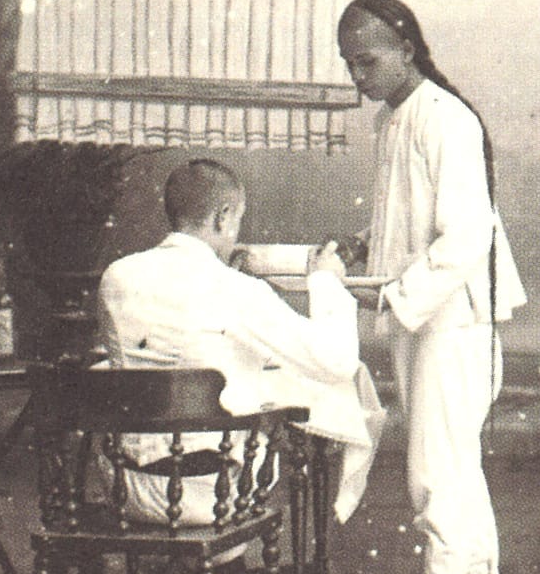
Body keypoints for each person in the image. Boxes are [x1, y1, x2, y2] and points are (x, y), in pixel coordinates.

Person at [337, 0, 527, 574]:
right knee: (460, 474)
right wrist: (366, 245)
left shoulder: (445, 118)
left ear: (407, 50)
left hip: (454, 323)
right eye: (349, 64)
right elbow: (414, 218)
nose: (357, 76)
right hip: (428, 319)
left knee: (436, 479)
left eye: (367, 61)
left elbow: (467, 235)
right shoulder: (396, 119)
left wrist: (394, 295)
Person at [96, 158, 382, 527]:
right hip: (207, 495)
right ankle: (230, 559)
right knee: (270, 419)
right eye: (237, 220)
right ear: (223, 217)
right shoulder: (236, 289)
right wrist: (326, 281)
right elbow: (337, 362)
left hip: (124, 487)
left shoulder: (116, 277)